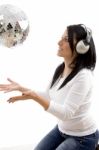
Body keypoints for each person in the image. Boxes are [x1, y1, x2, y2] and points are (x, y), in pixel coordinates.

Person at [0, 24, 99, 150]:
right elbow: (48, 96)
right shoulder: (61, 69)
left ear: (81, 48)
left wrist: (34, 97)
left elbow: (66, 114)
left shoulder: (83, 76)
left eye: (65, 40)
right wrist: (22, 89)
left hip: (83, 137)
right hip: (61, 130)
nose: (59, 42)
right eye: (61, 38)